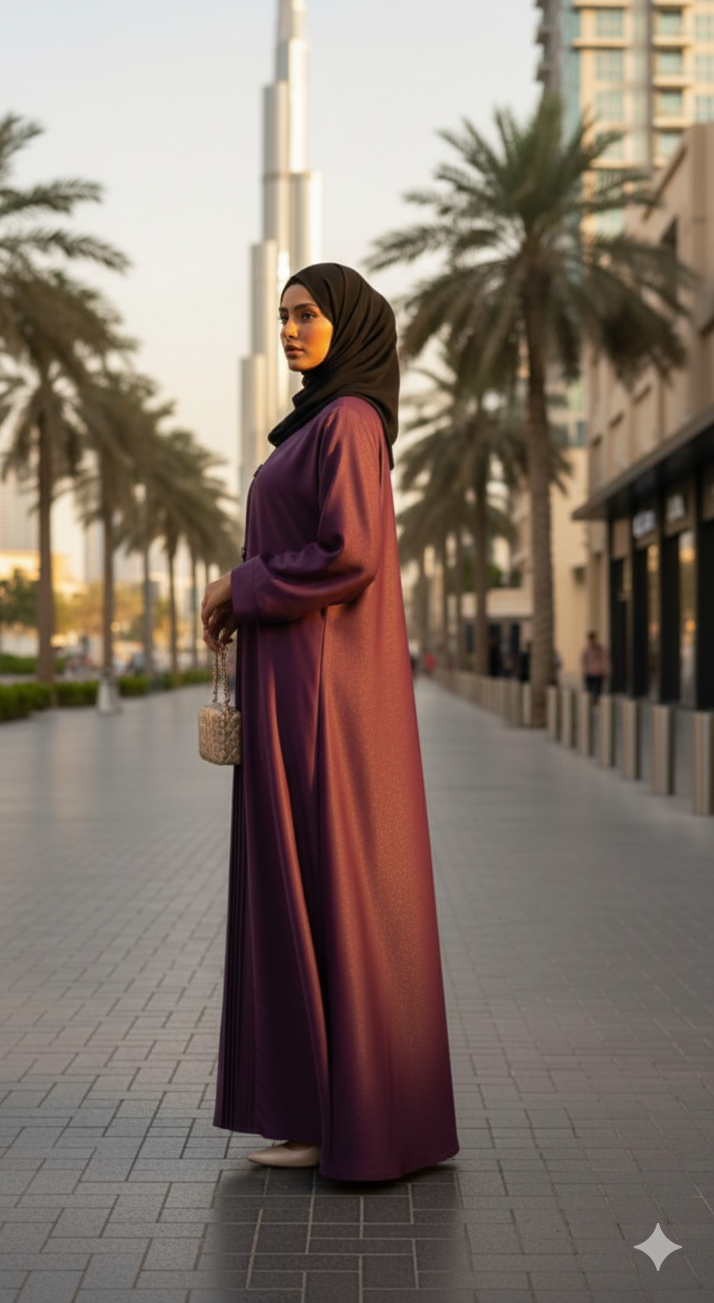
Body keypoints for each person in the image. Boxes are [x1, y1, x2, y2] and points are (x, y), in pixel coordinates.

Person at [201, 263, 459, 1181]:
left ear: (347, 325)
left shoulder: (346, 423)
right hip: (297, 674)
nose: (290, 330)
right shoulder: (319, 422)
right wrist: (245, 593)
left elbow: (349, 554)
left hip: (316, 690)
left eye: (306, 315)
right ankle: (336, 1105)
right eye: (281, 317)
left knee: (316, 881)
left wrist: (243, 586)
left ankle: (332, 1113)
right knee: (310, 883)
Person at [581, 631, 608, 703]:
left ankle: (596, 702)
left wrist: (604, 670)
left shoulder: (600, 649)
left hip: (598, 673)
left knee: (598, 691)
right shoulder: (586, 651)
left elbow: (604, 660)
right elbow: (584, 661)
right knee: (589, 691)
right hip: (589, 673)